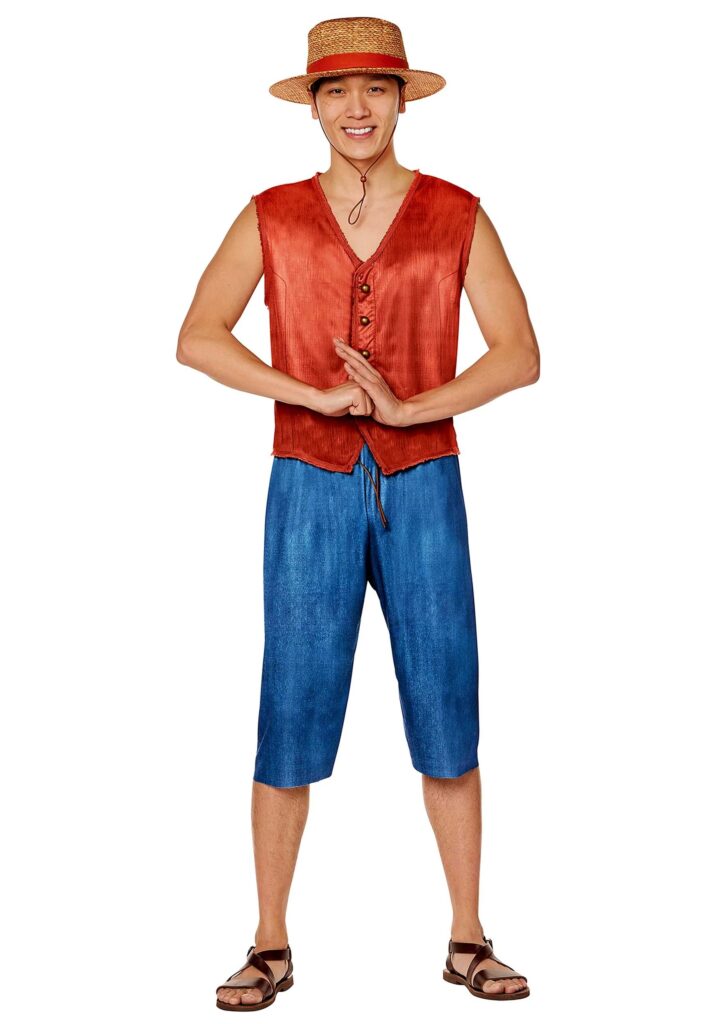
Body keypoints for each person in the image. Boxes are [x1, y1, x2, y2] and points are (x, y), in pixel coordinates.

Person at [177, 16, 539, 1011]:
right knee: (289, 707)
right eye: (335, 91)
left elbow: (519, 353)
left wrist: (413, 408)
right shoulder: (272, 215)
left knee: (447, 707)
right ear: (312, 105)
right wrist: (308, 391)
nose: (356, 108)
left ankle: (467, 937)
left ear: (402, 99)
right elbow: (198, 335)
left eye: (376, 88)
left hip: (425, 484)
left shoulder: (458, 212)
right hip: (308, 483)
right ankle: (269, 942)